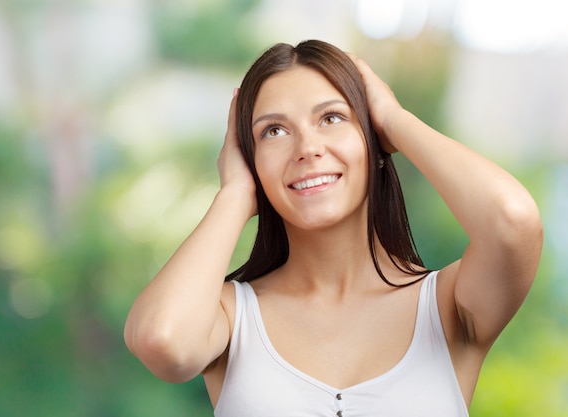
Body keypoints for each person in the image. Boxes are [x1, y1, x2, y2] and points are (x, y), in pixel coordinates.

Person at [124, 40, 543, 416]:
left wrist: (395, 121)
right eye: (274, 131)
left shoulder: (448, 307)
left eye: (331, 118)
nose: (307, 149)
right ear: (252, 161)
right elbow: (162, 340)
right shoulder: (229, 318)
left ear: (373, 138)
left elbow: (512, 221)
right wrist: (234, 192)